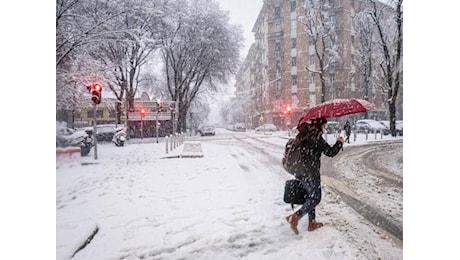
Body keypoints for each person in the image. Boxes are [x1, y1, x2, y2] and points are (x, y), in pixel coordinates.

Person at [286, 117, 344, 235]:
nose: (325, 127)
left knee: (310, 197)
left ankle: (312, 222)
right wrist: (339, 142)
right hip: (311, 173)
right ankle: (296, 217)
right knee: (316, 198)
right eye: (324, 125)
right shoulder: (316, 137)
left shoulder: (304, 135)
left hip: (301, 172)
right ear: (320, 124)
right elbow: (330, 152)